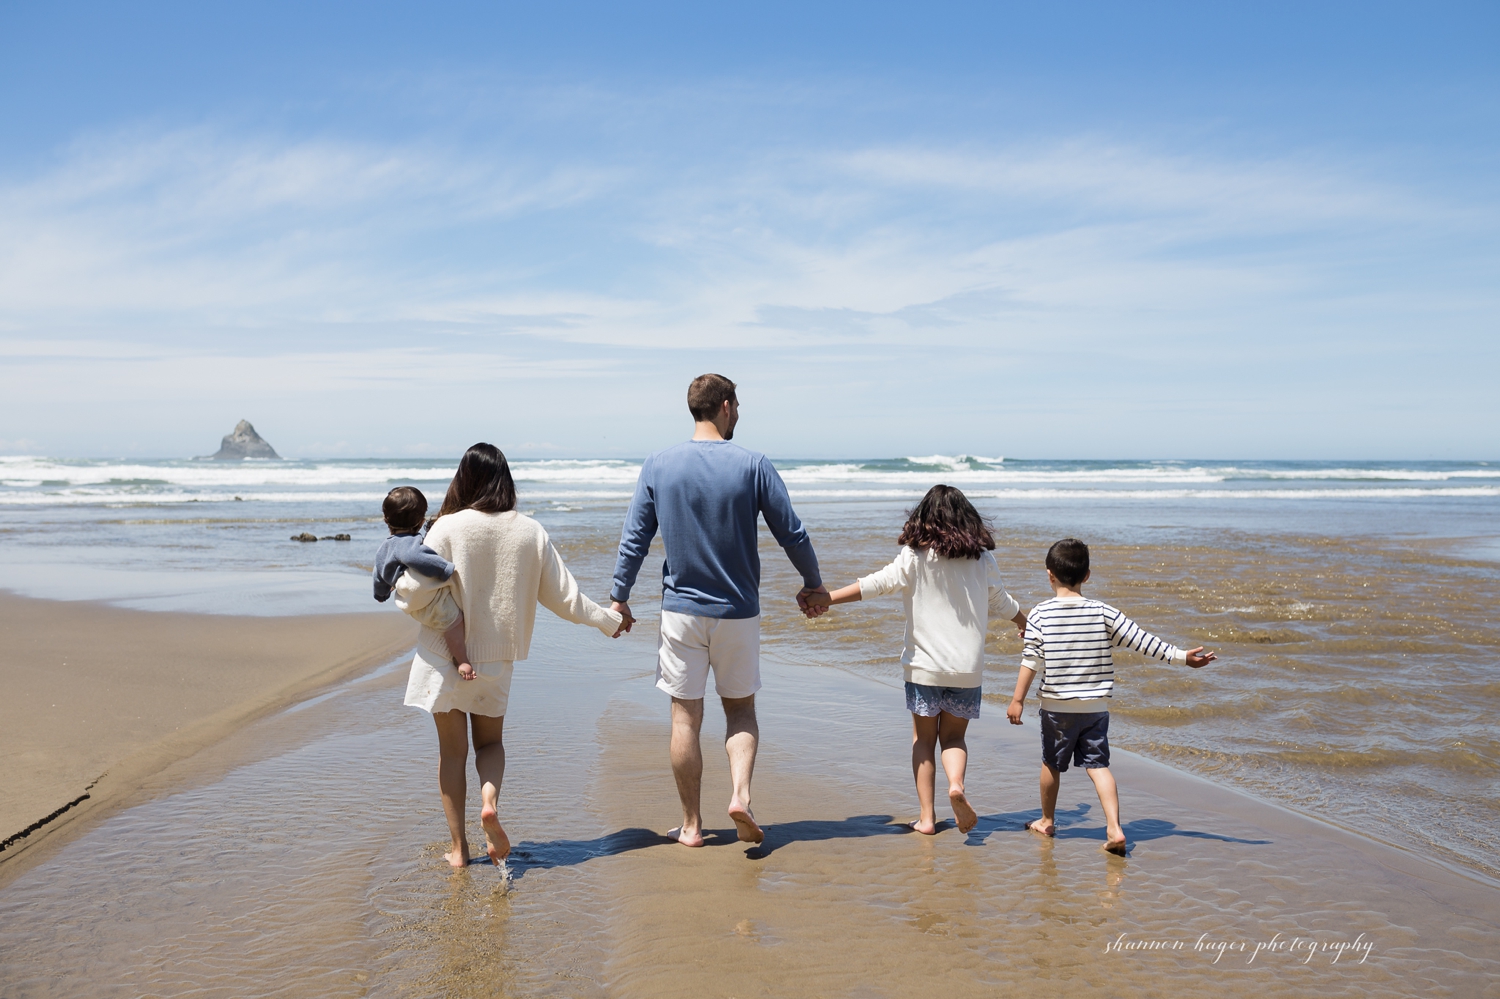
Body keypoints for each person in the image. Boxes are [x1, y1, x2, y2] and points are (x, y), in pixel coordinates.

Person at [609, 373, 828, 847]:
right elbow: (793, 533)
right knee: (741, 711)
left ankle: (690, 826)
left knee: (685, 718)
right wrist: (813, 584)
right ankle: (741, 798)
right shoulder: (753, 464)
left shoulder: (659, 464)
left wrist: (619, 596)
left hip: (682, 611)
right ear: (726, 406)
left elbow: (635, 539)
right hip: (738, 611)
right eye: (738, 406)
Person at [394, 444, 624, 868]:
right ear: (506, 480)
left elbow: (410, 591)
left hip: (442, 656)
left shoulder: (445, 529)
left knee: (451, 754)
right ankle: (489, 802)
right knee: (491, 744)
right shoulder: (530, 532)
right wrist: (608, 620)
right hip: (495, 661)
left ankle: (460, 851)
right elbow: (565, 598)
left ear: (463, 478)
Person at [809, 485, 1027, 834]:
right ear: (968, 520)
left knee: (923, 741)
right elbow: (1001, 602)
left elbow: (875, 584)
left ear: (923, 519)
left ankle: (926, 819)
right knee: (954, 739)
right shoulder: (983, 560)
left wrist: (827, 599)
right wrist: (1025, 623)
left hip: (924, 668)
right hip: (966, 670)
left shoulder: (914, 557)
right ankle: (956, 784)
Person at [1006, 538, 1217, 855]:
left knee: (1051, 763)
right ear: (1087, 575)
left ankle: (1047, 820)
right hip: (1095, 709)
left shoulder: (1039, 615)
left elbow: (1031, 660)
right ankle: (1115, 828)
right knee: (1099, 766)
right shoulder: (1103, 612)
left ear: (1049, 575)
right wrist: (1182, 658)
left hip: (1056, 708)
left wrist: (1017, 699)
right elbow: (1142, 640)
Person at [373, 485, 474, 679]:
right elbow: (419, 558)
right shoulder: (409, 544)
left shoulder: (384, 547)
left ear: (386, 519)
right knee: (454, 622)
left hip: (411, 605)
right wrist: (445, 568)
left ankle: (456, 655)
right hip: (428, 601)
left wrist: (381, 594)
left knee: (447, 622)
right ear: (420, 522)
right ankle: (462, 659)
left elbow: (377, 574)